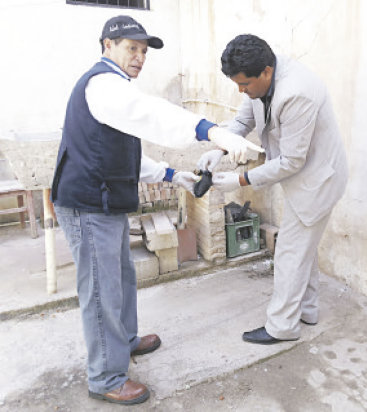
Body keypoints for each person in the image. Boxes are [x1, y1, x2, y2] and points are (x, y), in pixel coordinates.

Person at [51, 16, 262, 405]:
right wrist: (210, 131)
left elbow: (123, 152)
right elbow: (152, 113)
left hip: (104, 202)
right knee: (102, 291)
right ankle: (105, 376)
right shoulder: (103, 84)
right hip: (86, 205)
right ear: (107, 46)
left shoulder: (115, 90)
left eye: (144, 51)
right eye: (131, 47)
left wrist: (171, 174)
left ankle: (124, 342)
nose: (139, 57)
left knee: (121, 278)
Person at [199, 34, 348, 345]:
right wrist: (221, 148)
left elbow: (293, 161)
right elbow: (242, 121)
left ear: (266, 72)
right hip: (301, 179)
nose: (241, 90)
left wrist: (239, 181)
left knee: (291, 253)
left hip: (316, 181)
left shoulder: (298, 93)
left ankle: (282, 328)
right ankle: (306, 311)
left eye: (245, 85)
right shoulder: (258, 75)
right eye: (237, 84)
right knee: (302, 249)